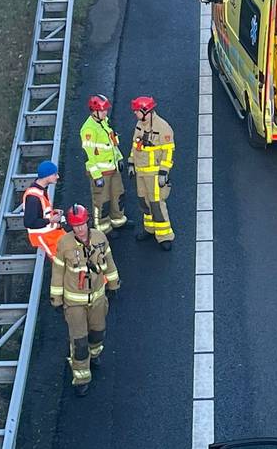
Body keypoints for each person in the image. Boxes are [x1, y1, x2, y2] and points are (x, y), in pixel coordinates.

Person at [49, 204, 119, 396]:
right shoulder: (64, 244)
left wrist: (114, 284)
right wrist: (56, 299)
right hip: (74, 304)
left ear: (87, 222)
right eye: (75, 226)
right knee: (79, 342)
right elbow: (58, 272)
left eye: (82, 224)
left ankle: (94, 354)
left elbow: (109, 262)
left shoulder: (99, 238)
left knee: (98, 332)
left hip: (97, 298)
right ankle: (81, 378)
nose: (79, 229)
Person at [127, 96, 176, 250]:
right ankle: (150, 229)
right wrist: (131, 162)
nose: (135, 113)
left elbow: (168, 152)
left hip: (154, 174)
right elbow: (135, 146)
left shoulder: (163, 127)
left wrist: (163, 172)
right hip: (141, 172)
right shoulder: (140, 124)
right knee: (144, 202)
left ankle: (164, 236)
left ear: (145, 111)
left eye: (137, 111)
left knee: (156, 204)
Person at [80, 94, 129, 235]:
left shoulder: (105, 122)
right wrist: (97, 176)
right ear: (94, 111)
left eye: (106, 110)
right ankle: (103, 228)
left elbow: (113, 145)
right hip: (101, 174)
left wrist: (119, 158)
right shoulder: (89, 130)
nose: (105, 112)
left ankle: (118, 220)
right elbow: (89, 156)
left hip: (113, 169)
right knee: (102, 201)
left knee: (118, 195)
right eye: (102, 110)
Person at [22, 160, 64, 259]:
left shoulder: (39, 190)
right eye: (55, 174)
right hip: (45, 238)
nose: (57, 177)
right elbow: (29, 223)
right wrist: (50, 220)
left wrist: (53, 212)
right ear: (47, 176)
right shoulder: (33, 198)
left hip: (50, 234)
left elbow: (41, 211)